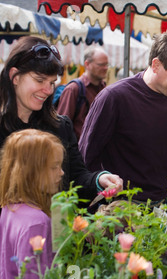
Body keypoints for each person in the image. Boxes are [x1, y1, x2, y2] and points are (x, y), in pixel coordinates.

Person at [79, 28, 167, 204]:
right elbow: (85, 157)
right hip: (121, 207)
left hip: (163, 205)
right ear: (156, 65)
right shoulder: (114, 97)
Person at [0, 36, 122, 203]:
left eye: (51, 82)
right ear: (15, 76)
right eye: (40, 80)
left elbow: (77, 177)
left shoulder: (60, 126)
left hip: (54, 226)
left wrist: (99, 180)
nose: (48, 90)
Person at [0, 129, 65, 279]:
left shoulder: (10, 208)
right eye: (54, 167)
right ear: (30, 172)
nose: (61, 172)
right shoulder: (37, 222)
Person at [56, 47, 109, 140]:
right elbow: (61, 126)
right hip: (78, 150)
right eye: (101, 65)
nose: (105, 68)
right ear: (87, 64)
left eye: (106, 64)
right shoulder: (73, 89)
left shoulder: (104, 89)